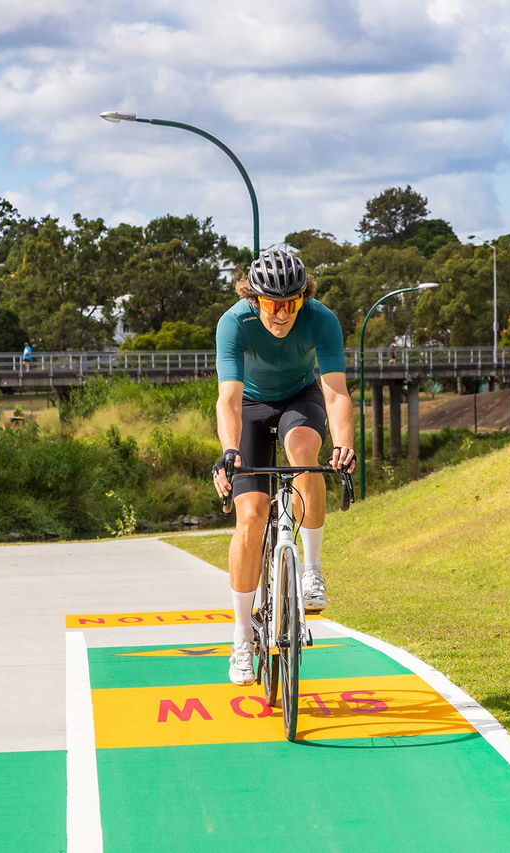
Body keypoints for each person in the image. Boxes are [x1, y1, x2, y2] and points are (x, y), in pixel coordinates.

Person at [211, 250, 356, 686]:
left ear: (302, 298)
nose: (281, 314)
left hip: (299, 398)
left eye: (291, 303)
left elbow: (335, 393)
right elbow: (229, 399)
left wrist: (344, 443)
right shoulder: (234, 323)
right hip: (250, 405)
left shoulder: (322, 319)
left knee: (303, 455)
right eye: (272, 304)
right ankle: (240, 638)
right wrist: (231, 451)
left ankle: (310, 571)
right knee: (251, 515)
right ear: (254, 299)